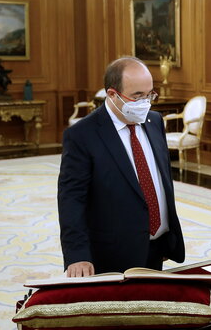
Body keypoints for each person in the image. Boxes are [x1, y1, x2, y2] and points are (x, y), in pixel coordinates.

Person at [58, 56, 185, 277]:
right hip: (112, 252)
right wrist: (77, 254)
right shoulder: (82, 135)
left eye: (150, 95)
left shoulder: (154, 122)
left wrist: (165, 235)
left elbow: (160, 179)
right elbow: (71, 198)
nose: (145, 102)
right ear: (112, 95)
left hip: (156, 245)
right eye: (137, 96)